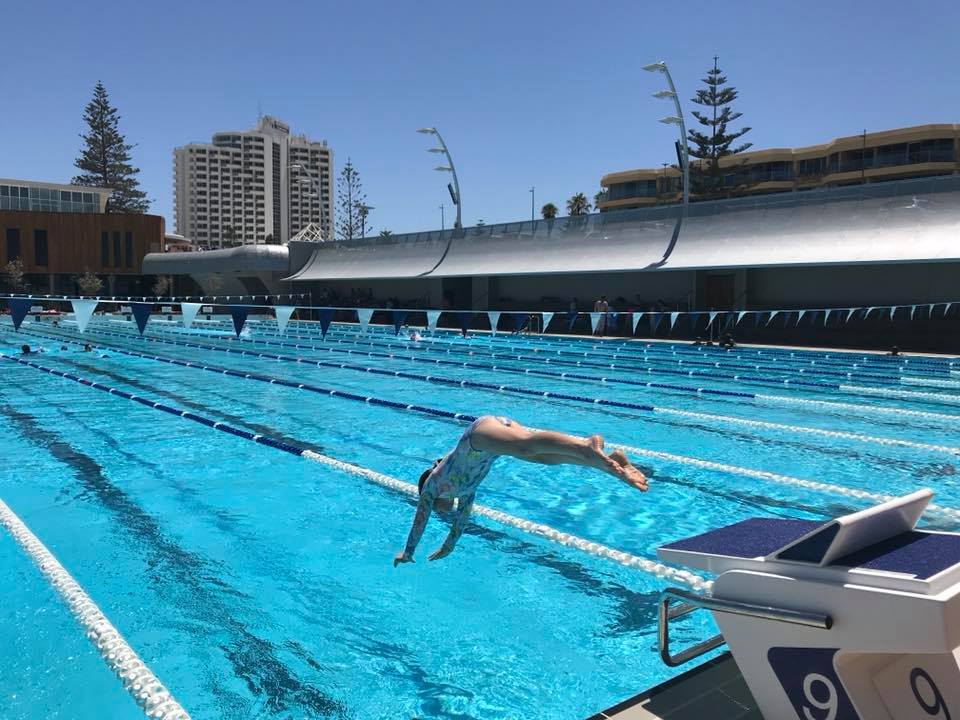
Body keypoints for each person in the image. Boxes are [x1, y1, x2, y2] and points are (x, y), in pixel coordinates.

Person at [394, 416, 648, 566]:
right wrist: (447, 547)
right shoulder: (465, 492)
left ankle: (585, 444)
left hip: (478, 435)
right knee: (541, 458)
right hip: (490, 442)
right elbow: (461, 522)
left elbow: (420, 521)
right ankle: (606, 463)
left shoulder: (432, 486)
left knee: (526, 448)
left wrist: (408, 552)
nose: (439, 512)